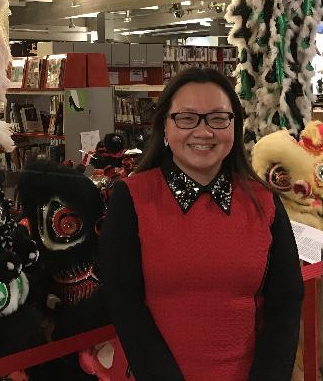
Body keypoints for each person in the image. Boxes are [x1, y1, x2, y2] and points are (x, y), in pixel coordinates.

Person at [99, 67, 303, 380]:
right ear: (165, 126)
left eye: (218, 118)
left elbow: (285, 306)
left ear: (234, 125)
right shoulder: (132, 198)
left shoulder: (263, 201)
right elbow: (125, 303)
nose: (203, 131)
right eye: (187, 118)